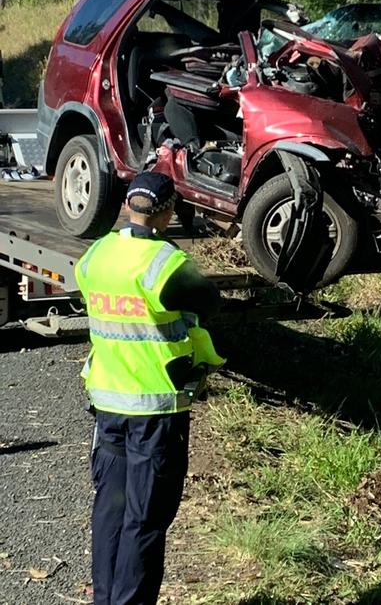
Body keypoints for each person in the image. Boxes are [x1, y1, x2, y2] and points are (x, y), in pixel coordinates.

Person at [75, 171, 224, 605]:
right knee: (146, 518)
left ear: (125, 205)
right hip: (155, 410)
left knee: (110, 512)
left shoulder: (95, 256)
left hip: (108, 404)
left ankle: (106, 599)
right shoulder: (164, 262)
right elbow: (208, 302)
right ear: (167, 211)